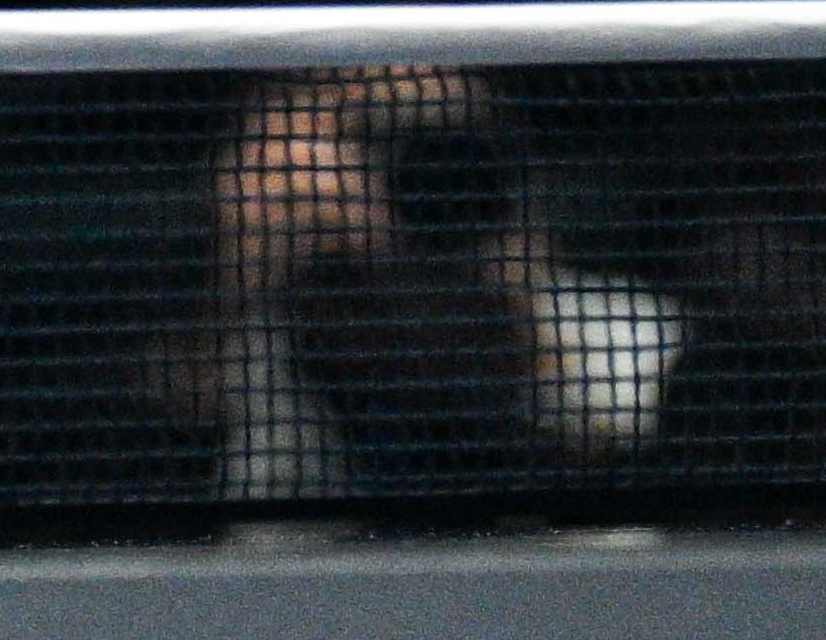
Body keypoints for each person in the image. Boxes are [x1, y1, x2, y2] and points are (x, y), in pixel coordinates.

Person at [171, 63, 680, 505]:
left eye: (460, 152)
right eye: (406, 150)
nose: (440, 183)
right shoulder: (284, 339)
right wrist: (254, 268)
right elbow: (187, 405)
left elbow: (591, 455)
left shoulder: (629, 332)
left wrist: (512, 310)